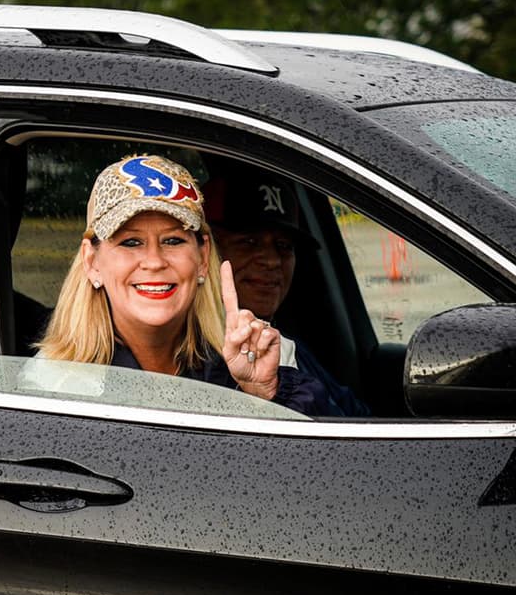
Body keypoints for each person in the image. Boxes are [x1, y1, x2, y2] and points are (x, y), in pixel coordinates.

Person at [33, 154, 335, 415]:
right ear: (92, 262)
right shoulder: (54, 382)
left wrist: (266, 396)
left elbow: (327, 468)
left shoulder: (267, 354)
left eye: (173, 240)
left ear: (203, 256)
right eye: (131, 242)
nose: (154, 261)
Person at [202, 167, 370, 416]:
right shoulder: (194, 354)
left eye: (284, 246)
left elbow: (357, 420)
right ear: (206, 252)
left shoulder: (290, 346)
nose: (271, 261)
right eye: (248, 242)